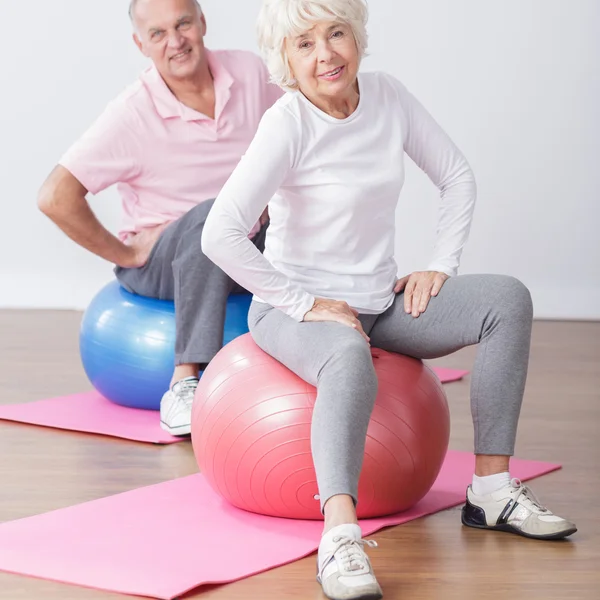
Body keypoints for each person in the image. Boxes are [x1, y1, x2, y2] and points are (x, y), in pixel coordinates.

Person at [201, 0, 578, 598]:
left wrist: (441, 266)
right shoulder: (288, 123)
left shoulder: (389, 97)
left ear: (359, 37)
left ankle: (489, 490)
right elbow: (218, 232)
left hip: (378, 300)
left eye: (336, 33)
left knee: (507, 300)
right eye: (304, 44)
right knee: (347, 353)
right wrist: (302, 301)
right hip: (290, 311)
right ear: (286, 60)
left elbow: (456, 175)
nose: (325, 53)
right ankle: (340, 538)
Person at [37, 0, 282, 435]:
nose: (176, 42)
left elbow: (299, 136)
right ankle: (186, 380)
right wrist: (127, 252)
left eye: (183, 24)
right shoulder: (131, 113)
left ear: (202, 22)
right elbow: (55, 196)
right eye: (158, 34)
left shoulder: (249, 73)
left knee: (298, 212)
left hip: (247, 244)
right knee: (215, 217)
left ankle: (348, 339)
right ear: (141, 44)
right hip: (165, 263)